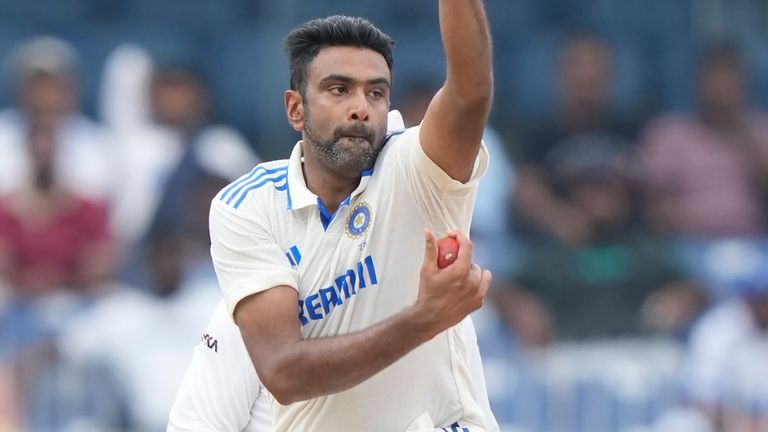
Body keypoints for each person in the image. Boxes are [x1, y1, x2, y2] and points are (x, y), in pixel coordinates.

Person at [170, 5, 497, 432]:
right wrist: (424, 319)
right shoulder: (249, 206)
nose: (360, 108)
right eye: (339, 90)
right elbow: (283, 371)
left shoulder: (417, 169)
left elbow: (470, 93)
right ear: (296, 109)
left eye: (376, 93)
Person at [640, 44, 768, 237]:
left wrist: (747, 137)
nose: (722, 87)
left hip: (753, 242)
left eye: (730, 78)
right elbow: (653, 201)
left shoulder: (760, 132)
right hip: (685, 244)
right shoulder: (669, 133)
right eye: (715, 78)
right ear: (699, 83)